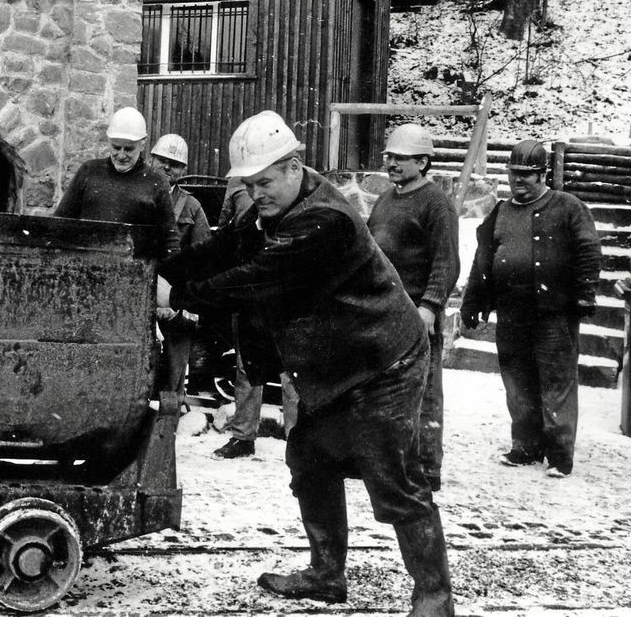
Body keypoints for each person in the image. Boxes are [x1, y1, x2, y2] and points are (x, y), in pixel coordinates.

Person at [157, 111, 453, 616]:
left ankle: (434, 597)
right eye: (249, 185)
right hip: (335, 363)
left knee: (393, 477)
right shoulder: (269, 208)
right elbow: (226, 246)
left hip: (383, 360)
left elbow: (255, 278)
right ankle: (326, 574)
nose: (257, 194)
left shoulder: (325, 220)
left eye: (265, 182)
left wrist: (178, 292)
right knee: (310, 460)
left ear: (294, 167)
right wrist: (159, 267)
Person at [460, 139, 601, 479]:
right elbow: (483, 260)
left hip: (554, 313)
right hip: (512, 312)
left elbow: (588, 250)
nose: (518, 181)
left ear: (543, 175)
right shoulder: (501, 211)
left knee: (556, 382)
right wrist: (473, 302)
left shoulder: (568, 207)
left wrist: (584, 294)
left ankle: (558, 455)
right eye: (513, 174)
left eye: (527, 175)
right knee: (517, 383)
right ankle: (525, 448)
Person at [366, 124, 460, 491]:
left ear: (422, 161)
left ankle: (426, 467)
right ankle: (389, 461)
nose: (391, 163)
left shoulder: (437, 203)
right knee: (383, 391)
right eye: (389, 156)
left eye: (400, 157)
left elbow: (446, 261)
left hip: (417, 316)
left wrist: (430, 307)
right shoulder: (387, 199)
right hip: (384, 313)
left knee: (424, 393)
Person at [54, 107, 180, 259]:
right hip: (86, 268)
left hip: (136, 272)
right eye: (115, 147)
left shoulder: (156, 181)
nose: (121, 155)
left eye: (128, 149)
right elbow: (60, 223)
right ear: (108, 141)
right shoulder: (88, 172)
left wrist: (171, 276)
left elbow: (169, 239)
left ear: (143, 144)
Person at [149, 134, 211, 399]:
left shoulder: (192, 207)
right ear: (150, 160)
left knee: (175, 366)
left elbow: (204, 257)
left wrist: (184, 301)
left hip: (174, 297)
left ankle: (168, 420)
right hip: (139, 287)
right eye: (162, 160)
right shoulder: (137, 194)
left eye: (174, 164)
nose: (166, 167)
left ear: (183, 170)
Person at [211, 177, 264, 459]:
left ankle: (298, 439)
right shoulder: (234, 184)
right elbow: (224, 230)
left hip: (280, 284)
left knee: (290, 369)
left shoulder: (287, 177)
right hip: (247, 288)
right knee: (246, 364)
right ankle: (243, 437)